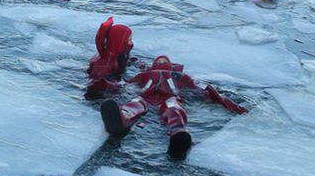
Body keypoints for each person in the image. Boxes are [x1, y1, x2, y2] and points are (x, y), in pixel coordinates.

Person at [99, 55, 246, 158]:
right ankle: (121, 119)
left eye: (165, 59)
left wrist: (228, 104)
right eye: (159, 59)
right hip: (144, 96)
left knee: (173, 109)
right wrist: (106, 85)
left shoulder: (181, 77)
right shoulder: (143, 75)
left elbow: (205, 88)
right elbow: (126, 85)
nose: (162, 60)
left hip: (169, 98)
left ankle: (178, 133)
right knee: (134, 103)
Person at [86, 17, 134, 96]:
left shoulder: (117, 54)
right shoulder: (105, 63)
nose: (131, 43)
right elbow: (95, 83)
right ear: (120, 42)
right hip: (100, 94)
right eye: (129, 40)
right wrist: (121, 86)